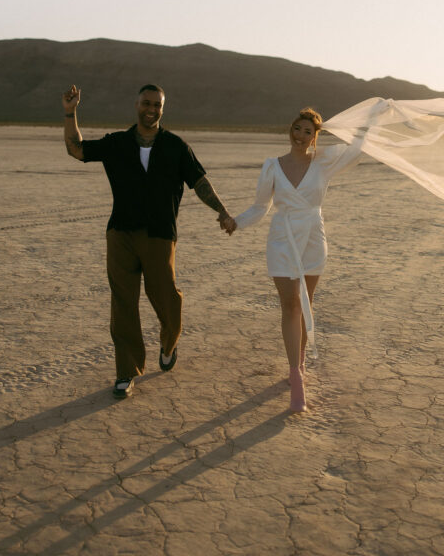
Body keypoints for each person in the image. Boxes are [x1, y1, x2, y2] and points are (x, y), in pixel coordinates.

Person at [63, 82, 233, 398]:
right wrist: (70, 113)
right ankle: (126, 373)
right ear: (137, 105)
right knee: (123, 303)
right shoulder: (118, 143)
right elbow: (77, 149)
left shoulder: (176, 146)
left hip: (159, 235)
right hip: (121, 233)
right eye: (147, 103)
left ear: (162, 109)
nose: (151, 109)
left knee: (166, 296)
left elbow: (199, 182)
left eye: (157, 104)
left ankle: (169, 342)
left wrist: (222, 211)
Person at [220, 107, 366, 413]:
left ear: (315, 137)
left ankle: (298, 364)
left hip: (313, 237)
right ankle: (295, 375)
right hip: (283, 238)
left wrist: (373, 118)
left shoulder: (324, 162)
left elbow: (356, 150)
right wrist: (237, 222)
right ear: (291, 131)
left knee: (305, 302)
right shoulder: (272, 166)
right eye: (297, 130)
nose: (301, 136)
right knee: (290, 305)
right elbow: (261, 206)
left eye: (308, 132)